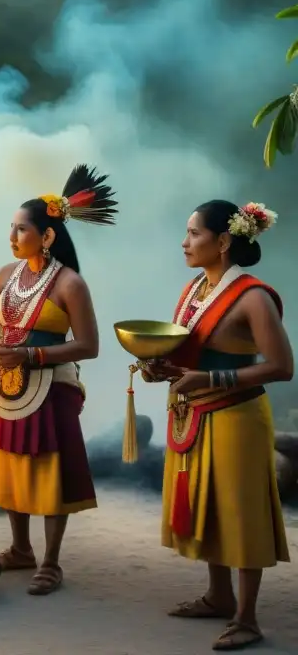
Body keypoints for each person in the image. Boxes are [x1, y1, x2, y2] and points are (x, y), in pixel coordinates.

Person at [138, 200, 291, 651]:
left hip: (237, 417)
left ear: (222, 242)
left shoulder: (253, 297)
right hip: (193, 411)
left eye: (193, 234)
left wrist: (212, 378)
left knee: (239, 512)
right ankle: (219, 596)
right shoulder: (192, 291)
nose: (184, 243)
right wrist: (159, 367)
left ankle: (247, 617)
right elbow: (189, 352)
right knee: (207, 505)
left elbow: (282, 366)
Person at [0, 164, 117, 596]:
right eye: (12, 229)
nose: (13, 237)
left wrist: (31, 354)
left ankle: (51, 561)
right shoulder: (4, 276)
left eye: (21, 230)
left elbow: (89, 345)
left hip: (52, 387)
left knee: (50, 469)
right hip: (7, 386)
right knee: (10, 463)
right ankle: (21, 549)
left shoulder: (70, 285)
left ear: (48, 236)